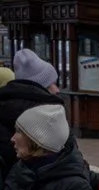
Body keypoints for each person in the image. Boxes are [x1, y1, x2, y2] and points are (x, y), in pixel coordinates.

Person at [0, 49, 62, 178]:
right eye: (52, 84)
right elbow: (67, 164)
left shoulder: (5, 109)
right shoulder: (49, 117)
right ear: (40, 86)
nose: (57, 89)